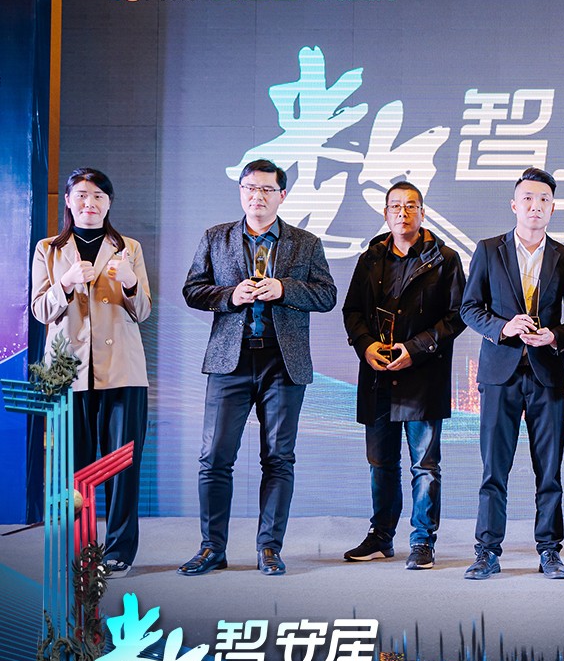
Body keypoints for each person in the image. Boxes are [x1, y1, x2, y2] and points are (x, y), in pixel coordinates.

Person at [179, 159, 336, 576]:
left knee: (279, 458)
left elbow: (327, 296)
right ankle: (212, 548)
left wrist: (285, 288)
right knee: (214, 458)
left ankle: (269, 548)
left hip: (282, 363)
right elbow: (193, 290)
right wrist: (231, 296)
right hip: (229, 361)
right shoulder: (216, 237)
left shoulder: (305, 243)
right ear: (241, 191)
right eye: (250, 188)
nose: (257, 196)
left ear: (282, 195)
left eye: (266, 189)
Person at [459, 168, 564, 580]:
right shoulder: (489, 250)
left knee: (549, 471)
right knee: (494, 470)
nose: (535, 206)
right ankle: (487, 551)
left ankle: (549, 550)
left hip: (547, 376)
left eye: (543, 199)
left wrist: (555, 335)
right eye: (528, 198)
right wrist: (503, 327)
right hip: (500, 374)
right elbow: (469, 308)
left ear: (552, 208)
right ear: (514, 205)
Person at [31, 168, 151, 578]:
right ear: (68, 200)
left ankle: (119, 550)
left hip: (123, 371)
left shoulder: (128, 247)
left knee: (121, 465)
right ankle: (78, 548)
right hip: (68, 371)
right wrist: (64, 284)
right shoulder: (48, 249)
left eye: (99, 195)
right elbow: (40, 311)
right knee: (72, 467)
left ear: (109, 202)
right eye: (82, 195)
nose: (90, 202)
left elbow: (144, 311)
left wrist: (131, 283)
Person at [342, 181, 465, 570]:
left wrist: (415, 349)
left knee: (424, 467)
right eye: (395, 206)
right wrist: (366, 346)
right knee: (380, 463)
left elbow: (457, 316)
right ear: (385, 213)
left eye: (411, 206)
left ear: (422, 213)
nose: (402, 213)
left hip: (422, 376)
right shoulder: (371, 258)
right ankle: (381, 537)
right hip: (377, 373)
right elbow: (352, 311)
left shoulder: (444, 258)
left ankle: (422, 541)